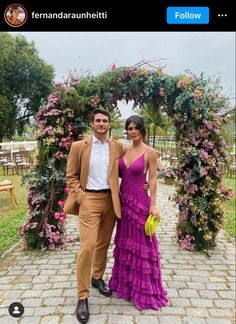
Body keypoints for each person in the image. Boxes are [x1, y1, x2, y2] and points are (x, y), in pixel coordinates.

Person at [66, 109, 123, 323]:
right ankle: (82, 297)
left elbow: (126, 168)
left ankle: (97, 278)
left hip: (110, 200)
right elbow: (71, 175)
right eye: (98, 120)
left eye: (105, 121)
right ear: (92, 124)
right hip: (89, 199)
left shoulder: (116, 145)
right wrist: (80, 197)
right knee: (87, 247)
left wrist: (142, 181)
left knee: (103, 244)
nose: (101, 124)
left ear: (109, 124)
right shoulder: (79, 146)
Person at [109, 115, 168, 310]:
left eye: (136, 128)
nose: (132, 131)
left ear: (142, 130)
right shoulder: (124, 149)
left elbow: (152, 179)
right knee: (125, 242)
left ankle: (143, 290)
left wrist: (154, 204)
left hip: (140, 201)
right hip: (124, 201)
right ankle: (126, 286)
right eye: (129, 128)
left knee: (142, 242)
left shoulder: (150, 152)